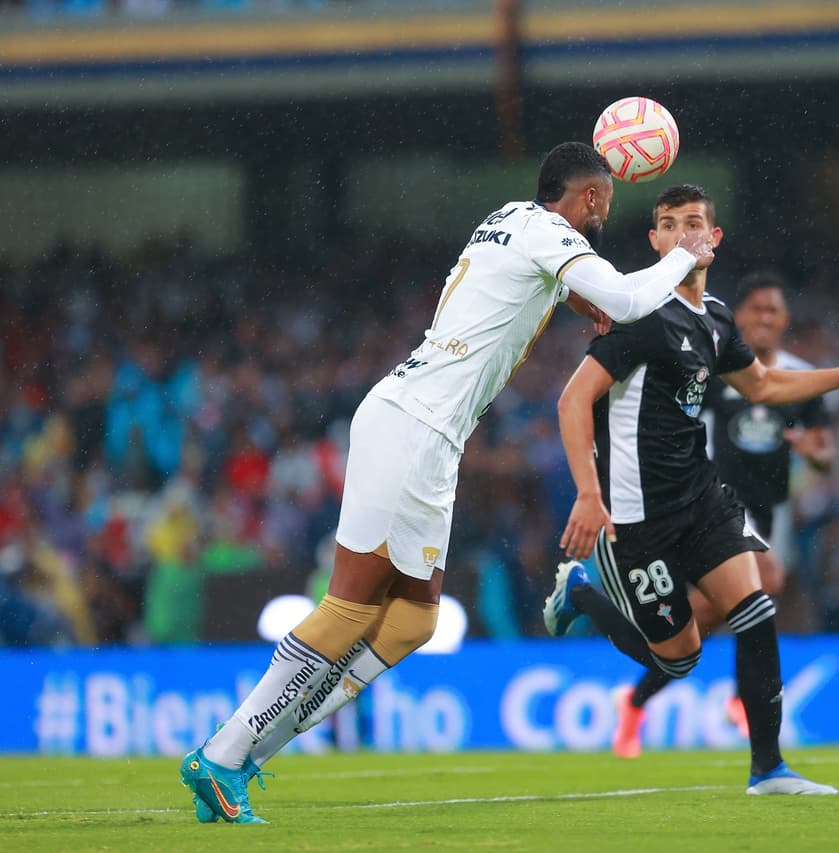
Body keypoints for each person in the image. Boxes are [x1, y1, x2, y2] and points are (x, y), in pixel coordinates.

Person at [178, 142, 717, 824]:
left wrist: (582, 301)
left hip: (427, 432)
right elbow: (631, 299)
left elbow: (550, 290)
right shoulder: (547, 232)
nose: (603, 219)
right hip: (415, 424)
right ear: (587, 198)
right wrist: (684, 254)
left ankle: (243, 758)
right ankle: (224, 753)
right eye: (604, 206)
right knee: (350, 607)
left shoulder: (512, 220)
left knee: (413, 619)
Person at [543, 184, 839, 794]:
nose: (682, 233)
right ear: (655, 242)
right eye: (669, 224)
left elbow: (762, 385)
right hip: (638, 518)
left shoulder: (715, 318)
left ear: (712, 240)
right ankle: (580, 593)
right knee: (678, 657)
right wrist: (588, 493)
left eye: (694, 223)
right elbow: (572, 400)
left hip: (704, 499)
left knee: (757, 608)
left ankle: (768, 769)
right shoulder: (640, 314)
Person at [611, 271, 836, 758]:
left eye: (774, 310)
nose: (765, 318)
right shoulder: (714, 367)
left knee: (704, 622)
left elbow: (825, 452)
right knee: (765, 581)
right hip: (714, 500)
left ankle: (635, 698)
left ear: (785, 320)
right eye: (756, 309)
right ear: (741, 317)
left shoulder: (798, 379)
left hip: (769, 512)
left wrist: (814, 453)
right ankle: (741, 699)